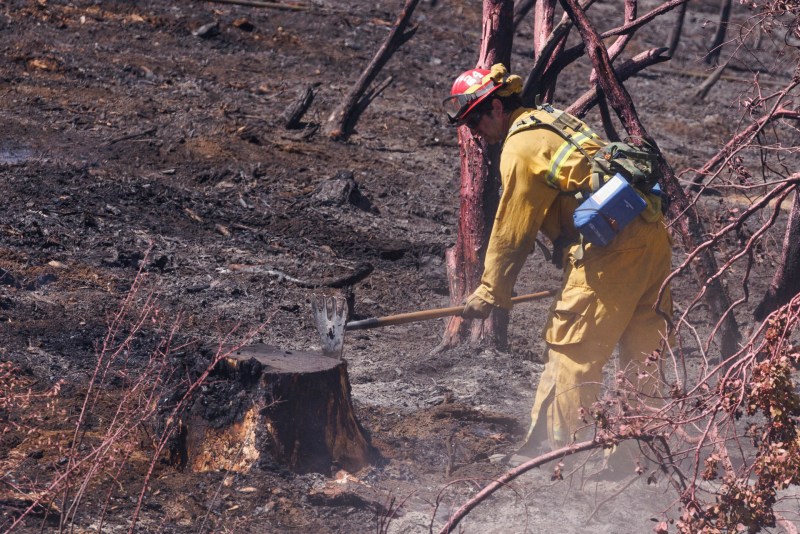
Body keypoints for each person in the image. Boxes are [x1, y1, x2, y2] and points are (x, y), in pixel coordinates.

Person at [443, 63, 673, 471]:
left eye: (474, 119)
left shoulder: (519, 147)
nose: (473, 131)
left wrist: (490, 291)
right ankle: (639, 456)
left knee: (572, 354)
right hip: (650, 237)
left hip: (611, 254)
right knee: (644, 351)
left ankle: (565, 461)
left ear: (496, 107)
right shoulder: (551, 118)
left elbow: (512, 232)